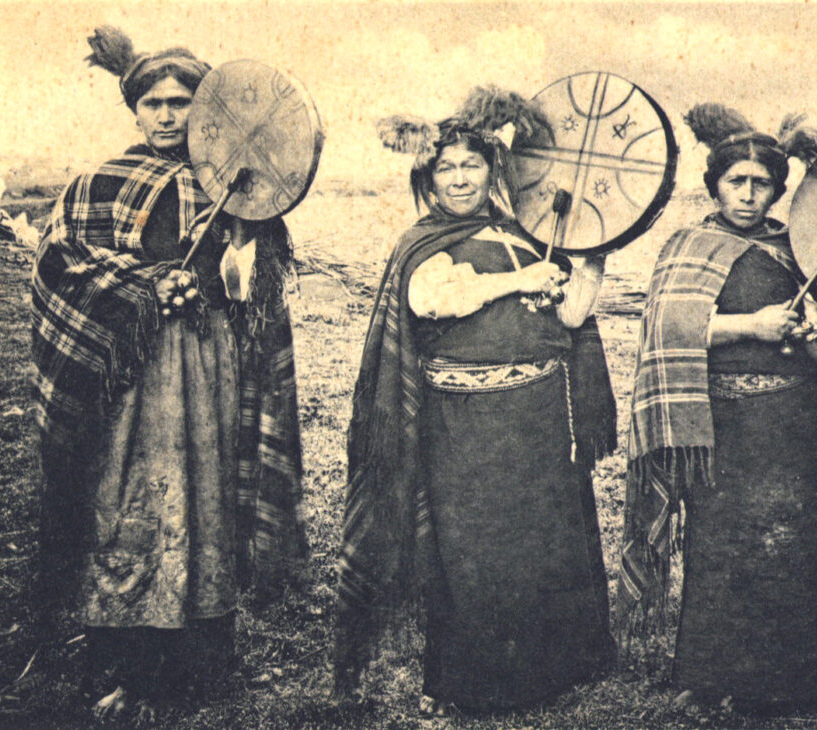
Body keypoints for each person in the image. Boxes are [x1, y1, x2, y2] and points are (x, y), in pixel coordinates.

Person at [30, 27, 303, 721]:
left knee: (204, 497)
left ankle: (197, 663)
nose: (165, 115)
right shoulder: (102, 181)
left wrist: (237, 254)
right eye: (151, 102)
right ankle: (121, 659)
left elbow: (254, 287)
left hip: (208, 370)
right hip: (130, 382)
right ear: (134, 110)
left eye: (180, 101)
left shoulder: (236, 186)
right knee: (128, 502)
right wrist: (146, 289)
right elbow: (58, 262)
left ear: (202, 109)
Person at [333, 87, 617, 714]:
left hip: (537, 417)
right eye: (446, 167)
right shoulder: (425, 240)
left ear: (493, 169)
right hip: (464, 422)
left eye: (472, 165)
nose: (459, 179)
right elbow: (432, 300)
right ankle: (476, 684)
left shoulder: (523, 233)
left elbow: (570, 316)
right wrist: (518, 279)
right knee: (472, 549)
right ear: (427, 175)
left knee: (538, 540)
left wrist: (590, 260)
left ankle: (549, 673)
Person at [619, 103, 817, 714]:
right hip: (721, 428)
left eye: (760, 183)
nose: (747, 194)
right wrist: (753, 326)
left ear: (776, 190)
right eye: (735, 181)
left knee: (790, 546)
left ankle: (787, 685)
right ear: (714, 185)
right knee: (717, 548)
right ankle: (706, 677)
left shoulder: (800, 252)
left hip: (789, 428)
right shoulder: (688, 246)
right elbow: (668, 331)